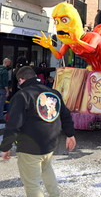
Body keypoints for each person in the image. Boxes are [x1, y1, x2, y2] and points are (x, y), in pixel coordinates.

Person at [0, 66, 76, 197]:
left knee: (32, 184)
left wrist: (5, 147)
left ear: (21, 80)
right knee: (46, 169)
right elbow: (65, 115)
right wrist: (70, 135)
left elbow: (13, 125)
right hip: (50, 144)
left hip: (29, 147)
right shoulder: (54, 93)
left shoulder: (22, 95)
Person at [0, 58, 11, 123]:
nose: (10, 64)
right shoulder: (5, 71)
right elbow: (5, 82)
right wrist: (7, 91)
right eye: (9, 62)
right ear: (6, 62)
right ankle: (1, 118)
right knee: (1, 104)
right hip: (2, 89)